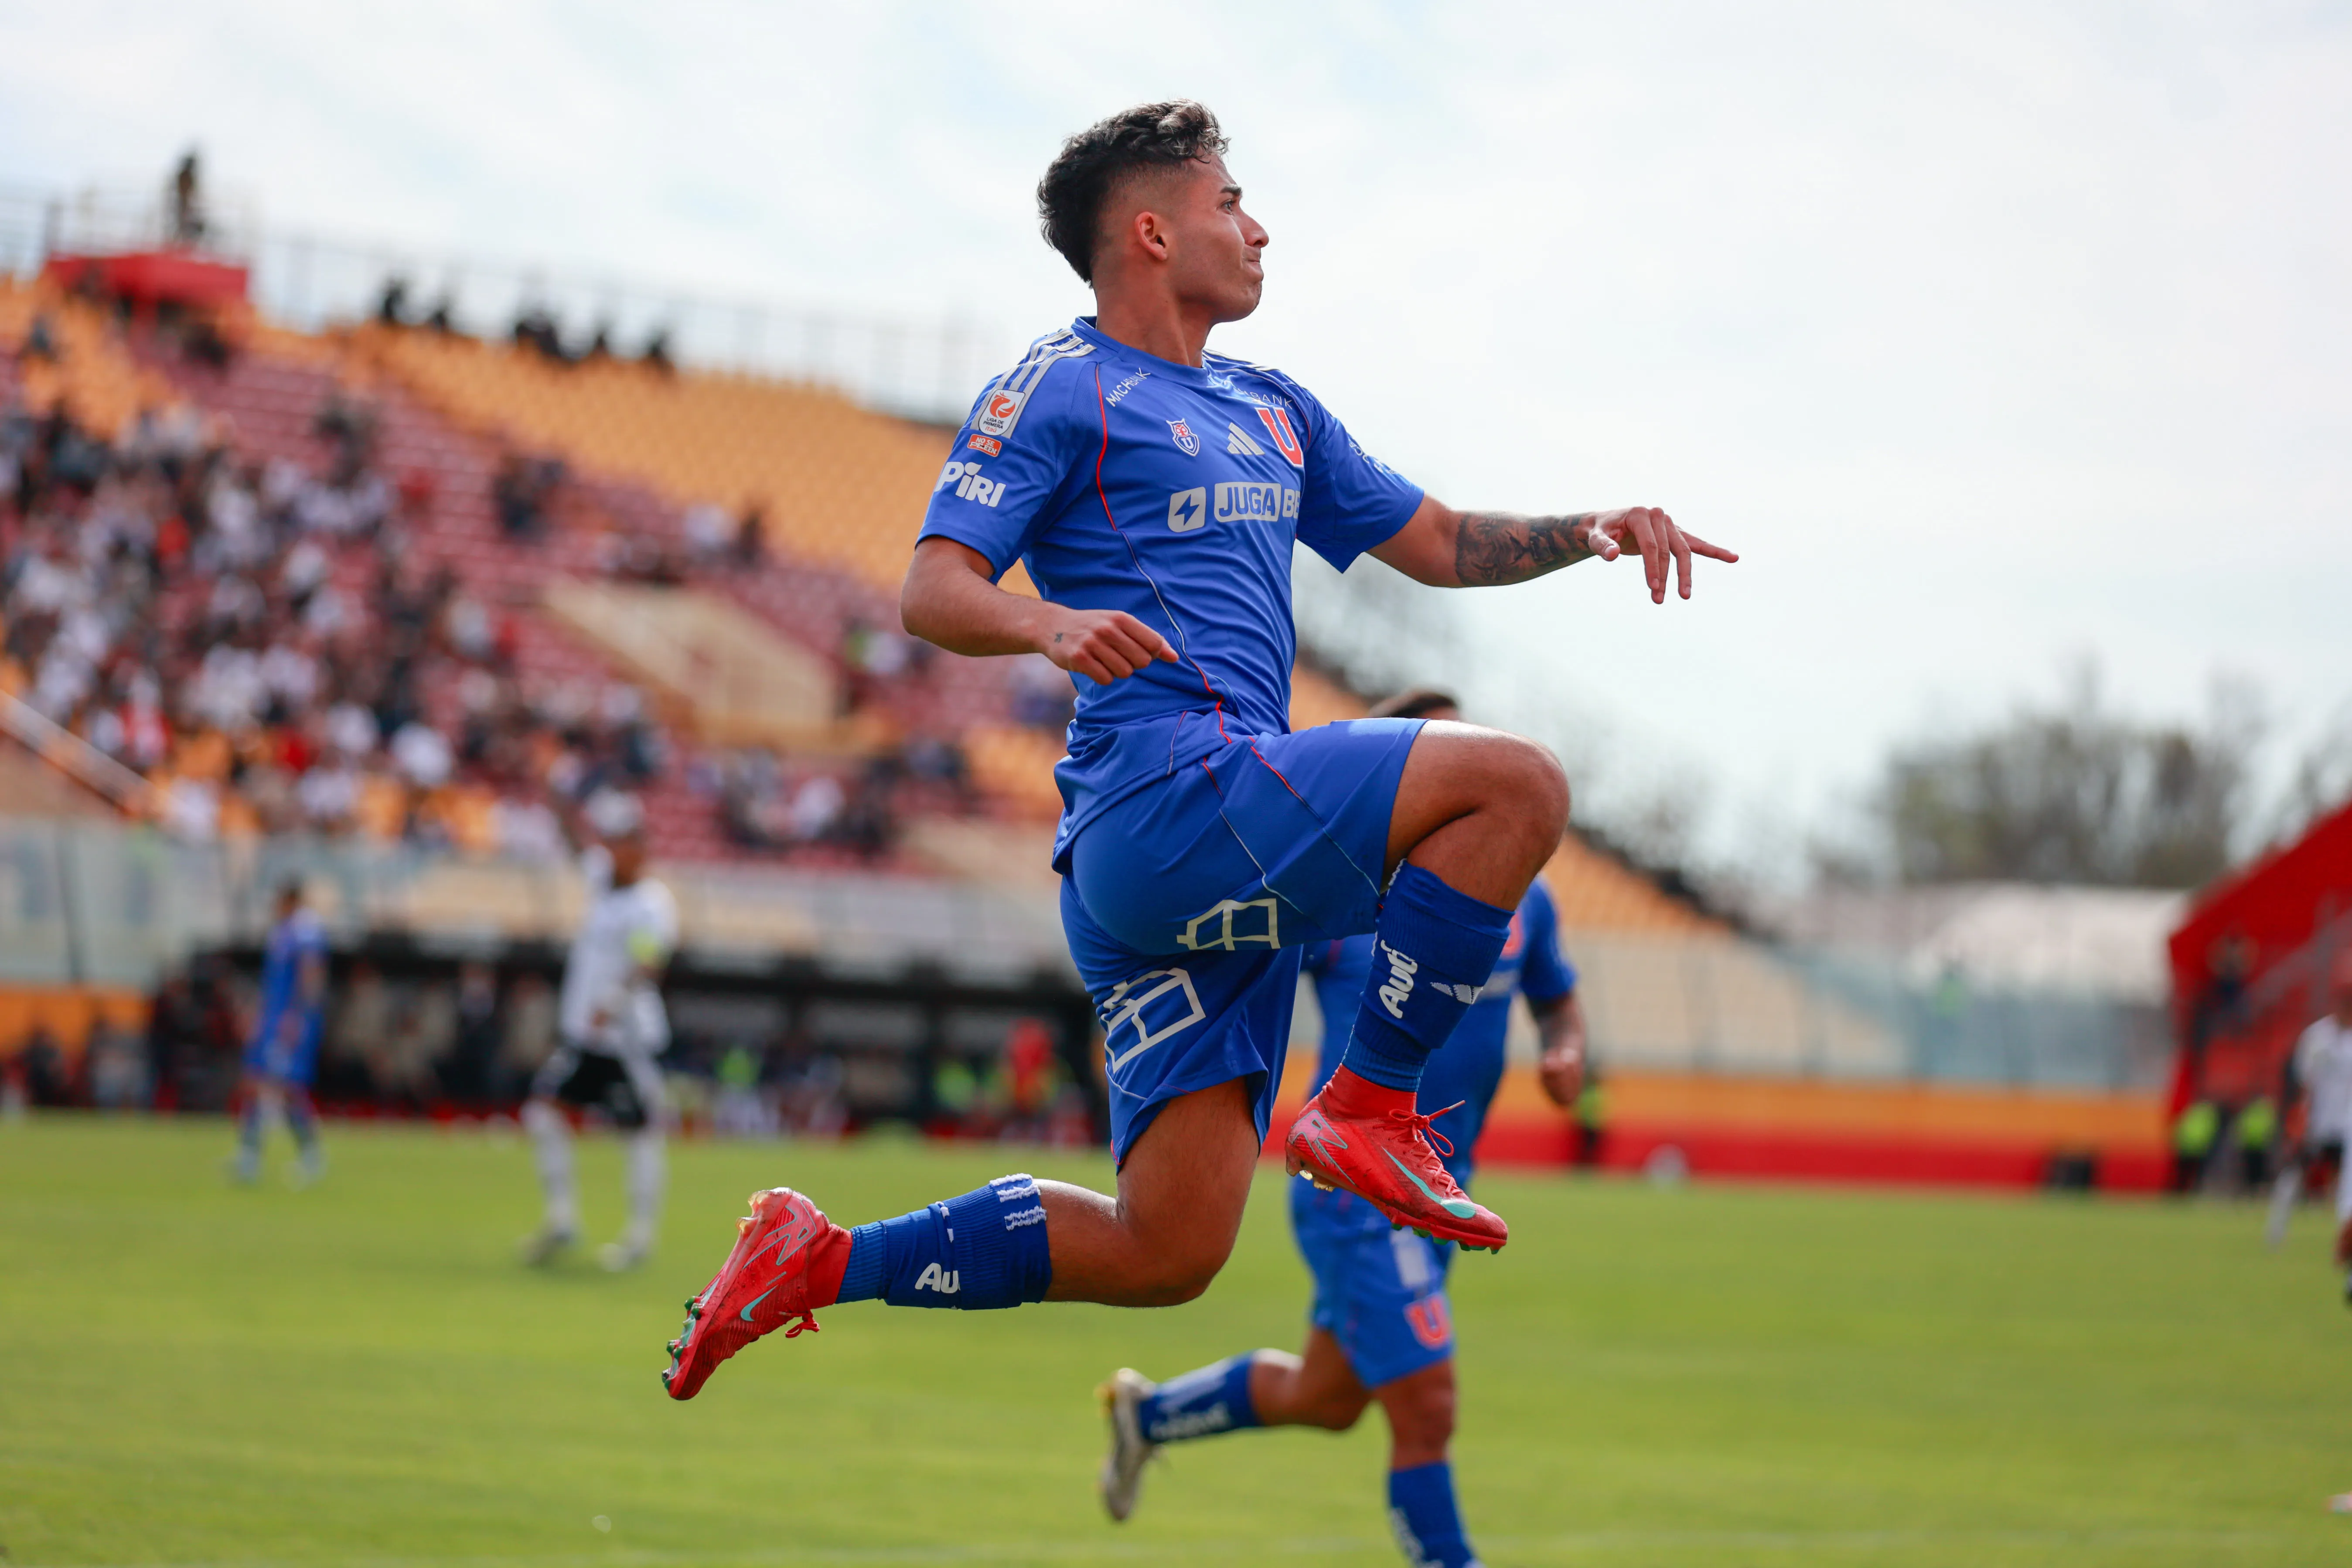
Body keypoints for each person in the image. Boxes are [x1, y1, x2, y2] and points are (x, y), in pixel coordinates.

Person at [661, 99, 1732, 1401]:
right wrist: (1047, 622)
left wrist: (1596, 524)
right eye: (1232, 201)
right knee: (1515, 783)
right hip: (1165, 796)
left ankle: (818, 1257)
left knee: (1166, 1247)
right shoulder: (1063, 382)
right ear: (1154, 230)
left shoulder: (1271, 407)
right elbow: (933, 585)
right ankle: (1372, 1103)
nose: (1259, 225)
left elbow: (1442, 542)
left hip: (1212, 855)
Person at [1091, 689, 1585, 1568]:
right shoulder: (1337, 894)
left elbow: (1557, 995)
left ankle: (1148, 1414)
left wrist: (1565, 1047)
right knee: (1427, 1409)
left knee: (1327, 1396)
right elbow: (1232, 973)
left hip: (1437, 1189)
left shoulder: (1518, 891)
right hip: (1357, 1189)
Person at [521, 791, 679, 1272]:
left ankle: (639, 1235)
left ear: (640, 847)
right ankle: (563, 1216)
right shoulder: (602, 881)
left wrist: (612, 1001)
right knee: (543, 1112)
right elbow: (575, 845)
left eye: (623, 841)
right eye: (609, 840)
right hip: (586, 1038)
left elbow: (649, 962)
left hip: (626, 1040)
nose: (612, 850)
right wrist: (554, 792)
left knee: (640, 1132)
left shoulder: (650, 905)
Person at [229, 880, 330, 1186]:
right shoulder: (282, 931)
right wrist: (260, 1015)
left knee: (283, 1088)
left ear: (290, 900)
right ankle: (250, 1156)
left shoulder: (306, 930)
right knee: (256, 1080)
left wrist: (299, 1016)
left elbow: (311, 975)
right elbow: (274, 981)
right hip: (273, 1019)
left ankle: (308, 1155)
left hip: (290, 1021)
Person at [2265, 950, 2352, 1283]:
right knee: (2294, 1175)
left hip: (2348, 1127)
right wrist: (2300, 1118)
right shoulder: (2318, 1038)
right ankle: (2276, 1230)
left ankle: (2345, 1242)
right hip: (2319, 1122)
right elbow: (2302, 1080)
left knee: (2347, 1186)